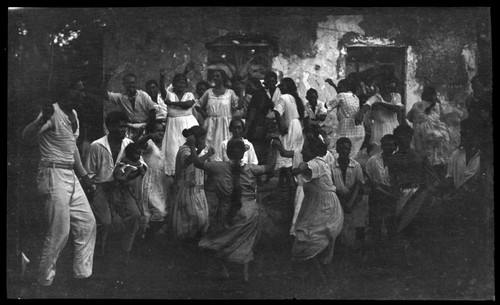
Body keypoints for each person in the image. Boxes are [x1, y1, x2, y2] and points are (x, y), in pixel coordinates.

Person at [22, 85, 97, 288]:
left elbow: (72, 149)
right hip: (52, 173)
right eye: (77, 90)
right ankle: (44, 281)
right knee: (60, 231)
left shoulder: (73, 114)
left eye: (83, 91)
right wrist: (43, 119)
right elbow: (27, 136)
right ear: (66, 90)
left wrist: (84, 177)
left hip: (70, 174)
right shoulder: (51, 112)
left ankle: (82, 276)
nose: (81, 94)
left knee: (87, 223)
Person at [192, 138, 279, 282]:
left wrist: (190, 144)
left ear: (227, 152)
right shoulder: (252, 168)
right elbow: (269, 167)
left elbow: (197, 163)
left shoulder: (217, 166)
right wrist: (275, 149)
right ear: (244, 152)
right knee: (246, 242)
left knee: (215, 241)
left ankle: (224, 270)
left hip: (227, 212)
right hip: (249, 212)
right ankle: (244, 275)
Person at [85, 111, 142, 264]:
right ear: (109, 126)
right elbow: (89, 173)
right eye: (120, 126)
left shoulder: (129, 144)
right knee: (105, 222)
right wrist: (94, 191)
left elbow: (141, 164)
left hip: (121, 187)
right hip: (101, 187)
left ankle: (125, 250)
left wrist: (131, 174)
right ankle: (98, 253)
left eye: (125, 126)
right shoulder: (96, 146)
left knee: (135, 216)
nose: (124, 130)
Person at [290, 132, 344, 282]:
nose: (302, 152)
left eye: (305, 149)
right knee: (307, 236)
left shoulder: (318, 162)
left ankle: (322, 275)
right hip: (315, 204)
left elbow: (305, 166)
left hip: (325, 206)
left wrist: (299, 168)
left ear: (312, 151)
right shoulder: (314, 163)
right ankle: (320, 274)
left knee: (314, 237)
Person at [386, 125, 438, 266]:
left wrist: (428, 190)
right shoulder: (393, 159)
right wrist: (395, 196)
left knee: (420, 226)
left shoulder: (420, 155)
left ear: (410, 137)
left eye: (406, 136)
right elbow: (393, 181)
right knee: (404, 227)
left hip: (420, 194)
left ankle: (422, 259)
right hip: (403, 195)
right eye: (400, 137)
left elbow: (433, 176)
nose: (403, 140)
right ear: (397, 139)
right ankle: (407, 260)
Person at [171, 126, 214, 240]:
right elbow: (191, 161)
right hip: (188, 192)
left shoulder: (194, 151)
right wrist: (203, 152)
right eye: (202, 139)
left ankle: (194, 245)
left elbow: (198, 161)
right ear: (194, 140)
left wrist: (202, 152)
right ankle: (187, 244)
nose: (204, 142)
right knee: (196, 219)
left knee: (201, 220)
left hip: (198, 191)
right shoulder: (184, 150)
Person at [331, 137, 367, 258]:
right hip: (337, 200)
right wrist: (340, 202)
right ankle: (337, 251)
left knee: (359, 222)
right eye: (341, 149)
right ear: (337, 149)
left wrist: (351, 203)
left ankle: (359, 251)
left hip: (354, 199)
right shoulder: (331, 166)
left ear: (350, 150)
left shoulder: (356, 166)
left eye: (347, 149)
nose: (344, 151)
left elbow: (359, 187)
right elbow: (330, 187)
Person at [406, 86, 452, 178]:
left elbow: (409, 117)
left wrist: (419, 121)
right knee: (437, 158)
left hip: (421, 135)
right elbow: (443, 118)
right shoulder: (438, 106)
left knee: (424, 157)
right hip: (438, 134)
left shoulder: (416, 105)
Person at [161, 73, 199, 177]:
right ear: (173, 84)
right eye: (178, 82)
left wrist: (172, 104)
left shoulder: (189, 95)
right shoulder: (170, 95)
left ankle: (190, 172)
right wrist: (162, 78)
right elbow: (162, 91)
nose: (181, 85)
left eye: (183, 82)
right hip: (173, 125)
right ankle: (174, 174)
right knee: (173, 149)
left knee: (188, 147)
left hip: (188, 124)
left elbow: (188, 104)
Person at [136, 119, 168, 242]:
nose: (160, 133)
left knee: (162, 212)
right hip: (149, 180)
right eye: (157, 130)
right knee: (155, 211)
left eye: (162, 131)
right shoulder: (149, 144)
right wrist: (148, 136)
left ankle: (149, 238)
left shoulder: (165, 145)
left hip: (160, 181)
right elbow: (139, 144)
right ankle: (146, 238)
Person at [198, 69, 241, 161]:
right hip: (211, 125)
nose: (215, 78)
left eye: (217, 76)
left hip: (225, 125)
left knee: (224, 146)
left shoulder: (230, 93)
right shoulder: (209, 92)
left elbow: (238, 106)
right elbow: (198, 105)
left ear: (223, 78)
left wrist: (241, 92)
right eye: (213, 76)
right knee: (209, 146)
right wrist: (205, 115)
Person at [104, 72, 157, 141]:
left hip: (145, 127)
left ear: (136, 83)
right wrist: (106, 80)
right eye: (128, 83)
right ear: (124, 84)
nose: (130, 85)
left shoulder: (143, 95)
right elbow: (104, 95)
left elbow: (152, 112)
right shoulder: (120, 97)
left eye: (133, 83)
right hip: (130, 129)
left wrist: (147, 128)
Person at [365, 134, 398, 243]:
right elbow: (368, 180)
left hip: (392, 196)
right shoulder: (372, 160)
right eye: (385, 145)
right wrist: (375, 186)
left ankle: (390, 247)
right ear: (381, 146)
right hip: (376, 197)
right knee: (376, 225)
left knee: (391, 224)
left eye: (390, 145)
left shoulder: (399, 161)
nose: (388, 147)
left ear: (395, 147)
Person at [274, 77, 305, 188]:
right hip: (297, 128)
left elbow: (277, 111)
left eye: (283, 85)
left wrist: (281, 126)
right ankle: (283, 184)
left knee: (286, 157)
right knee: (294, 155)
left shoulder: (283, 97)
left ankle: (291, 186)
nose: (280, 87)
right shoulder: (295, 98)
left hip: (290, 128)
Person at [355, 80, 403, 148]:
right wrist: (361, 113)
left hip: (394, 126)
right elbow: (367, 105)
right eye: (383, 85)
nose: (386, 87)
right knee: (380, 148)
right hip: (380, 128)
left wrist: (381, 104)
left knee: (394, 148)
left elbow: (398, 109)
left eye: (388, 85)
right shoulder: (376, 97)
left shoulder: (396, 96)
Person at [326, 79, 365, 158]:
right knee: (351, 153)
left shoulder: (342, 95)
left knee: (335, 149)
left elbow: (327, 106)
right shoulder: (356, 98)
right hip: (359, 129)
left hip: (346, 127)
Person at [244, 77, 275, 167]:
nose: (248, 88)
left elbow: (252, 113)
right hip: (263, 127)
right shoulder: (264, 95)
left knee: (255, 152)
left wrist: (247, 128)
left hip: (255, 128)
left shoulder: (257, 96)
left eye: (250, 86)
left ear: (256, 85)